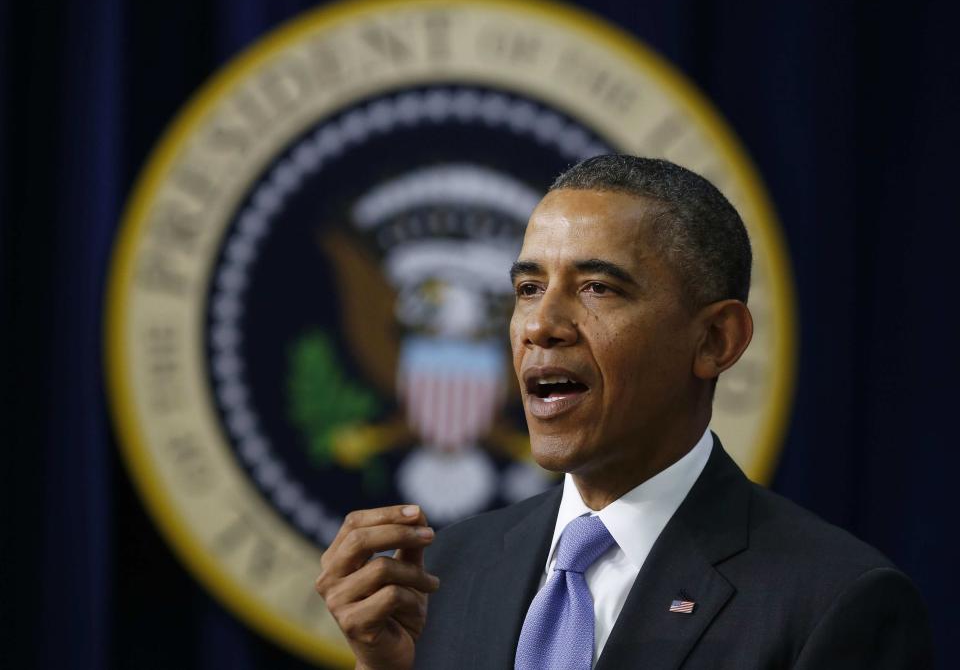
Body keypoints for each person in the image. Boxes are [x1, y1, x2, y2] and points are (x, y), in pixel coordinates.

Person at [314, 155, 933, 669]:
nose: (542, 325)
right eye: (529, 288)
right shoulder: (450, 570)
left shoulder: (833, 603)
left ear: (716, 340)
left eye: (597, 288)